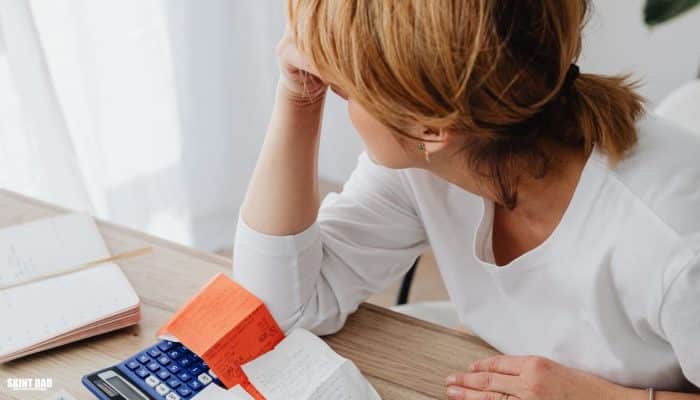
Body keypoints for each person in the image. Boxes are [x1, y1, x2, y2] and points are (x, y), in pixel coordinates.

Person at [233, 0, 700, 398]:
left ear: (432, 127)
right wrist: (297, 97)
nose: (337, 101)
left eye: (342, 91)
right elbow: (278, 309)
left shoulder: (672, 242)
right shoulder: (430, 164)